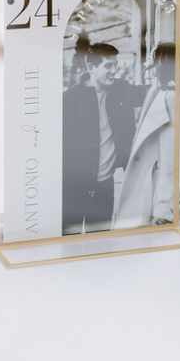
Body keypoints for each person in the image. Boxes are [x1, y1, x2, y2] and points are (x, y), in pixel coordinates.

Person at [114, 44, 177, 229]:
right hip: (143, 179)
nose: (150, 63)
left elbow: (170, 157)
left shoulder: (170, 97)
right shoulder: (155, 91)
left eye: (154, 58)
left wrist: (163, 209)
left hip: (152, 188)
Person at [61, 39, 117, 233]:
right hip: (74, 189)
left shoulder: (119, 94)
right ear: (91, 67)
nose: (114, 71)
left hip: (105, 189)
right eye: (108, 66)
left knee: (101, 244)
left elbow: (147, 92)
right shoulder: (68, 100)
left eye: (115, 66)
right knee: (69, 243)